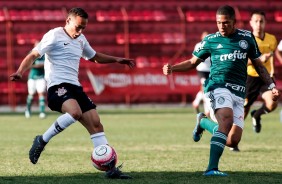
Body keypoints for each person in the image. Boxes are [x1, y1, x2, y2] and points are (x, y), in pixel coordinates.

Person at [10, 7, 135, 179]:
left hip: (75, 88)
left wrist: (117, 59)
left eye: (83, 27)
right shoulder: (54, 35)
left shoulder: (81, 39)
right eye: (78, 27)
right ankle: (42, 140)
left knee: (96, 124)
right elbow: (33, 54)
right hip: (57, 86)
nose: (80, 31)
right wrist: (20, 71)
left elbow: (94, 56)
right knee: (74, 112)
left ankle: (110, 169)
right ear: (68, 21)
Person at [162, 5, 280, 176]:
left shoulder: (246, 38)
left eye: (225, 23)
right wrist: (173, 68)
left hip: (239, 92)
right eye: (218, 23)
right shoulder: (211, 40)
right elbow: (193, 61)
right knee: (226, 120)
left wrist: (271, 86)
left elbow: (259, 66)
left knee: (232, 140)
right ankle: (211, 169)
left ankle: (203, 121)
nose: (222, 26)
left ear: (234, 22)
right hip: (217, 86)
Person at [244, 10, 279, 135]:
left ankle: (257, 115)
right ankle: (234, 140)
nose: (259, 24)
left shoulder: (272, 39)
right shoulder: (246, 40)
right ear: (251, 23)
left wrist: (273, 71)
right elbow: (241, 60)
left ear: (265, 23)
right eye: (256, 21)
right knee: (243, 109)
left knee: (273, 103)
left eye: (261, 21)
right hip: (250, 77)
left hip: (266, 77)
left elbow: (272, 57)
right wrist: (258, 60)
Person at [25, 41, 46, 119]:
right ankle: (28, 110)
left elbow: (46, 64)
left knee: (41, 94)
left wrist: (37, 65)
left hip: (41, 77)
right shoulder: (31, 54)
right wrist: (39, 65)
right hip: (32, 77)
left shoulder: (44, 54)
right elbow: (28, 64)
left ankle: (42, 112)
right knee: (31, 94)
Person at [192, 31, 211, 116]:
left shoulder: (212, 46)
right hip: (201, 69)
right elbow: (195, 57)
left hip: (210, 69)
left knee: (209, 88)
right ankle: (207, 108)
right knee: (205, 86)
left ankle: (196, 102)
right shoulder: (198, 46)